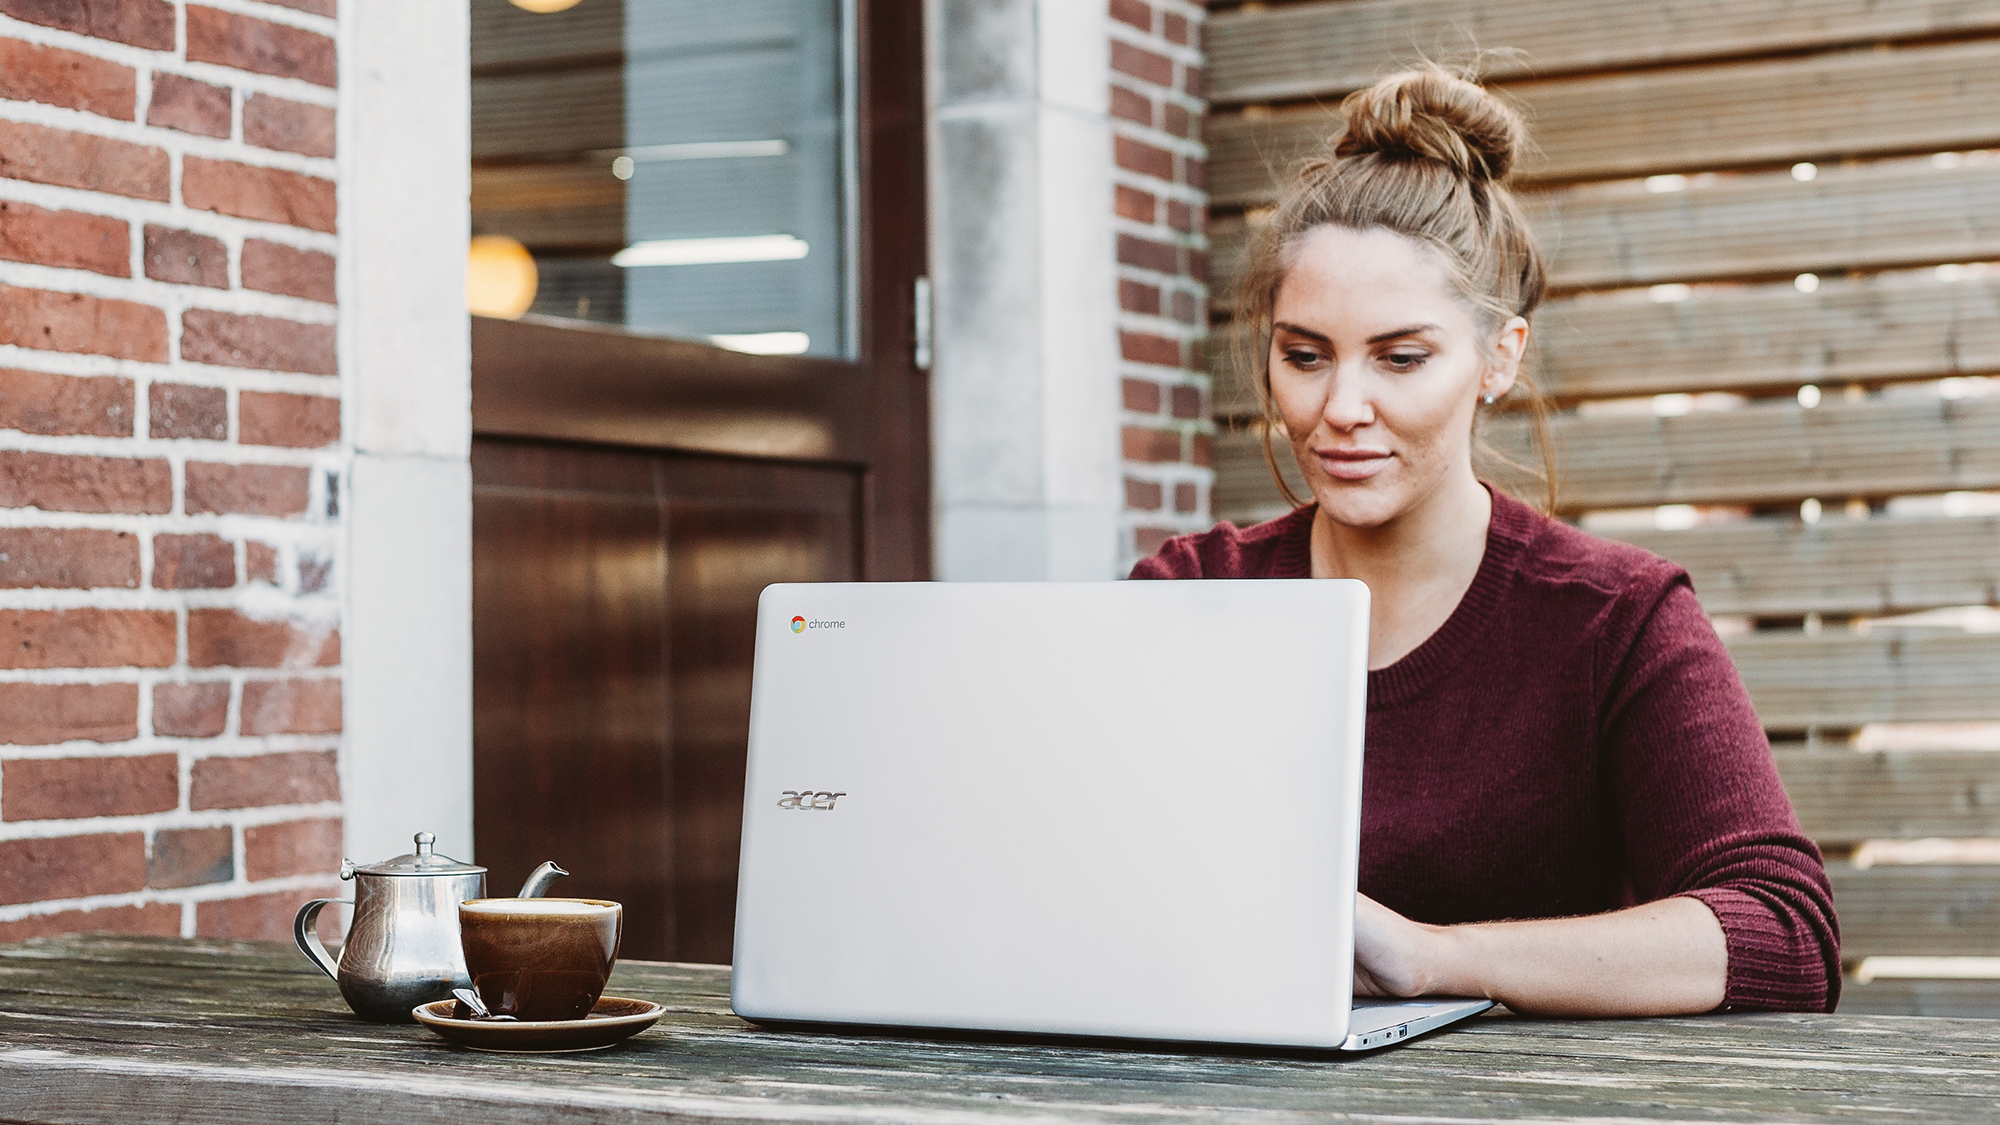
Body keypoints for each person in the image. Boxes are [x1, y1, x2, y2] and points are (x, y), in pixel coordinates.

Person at [1130, 66, 1839, 1016]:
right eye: (1304, 356)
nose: (1341, 408)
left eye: (1401, 357)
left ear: (1499, 358)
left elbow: (1784, 933)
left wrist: (1436, 957)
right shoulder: (1189, 592)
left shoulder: (1615, 619)